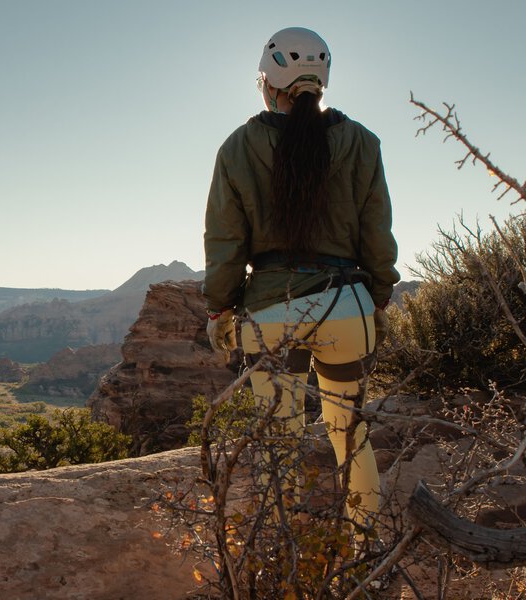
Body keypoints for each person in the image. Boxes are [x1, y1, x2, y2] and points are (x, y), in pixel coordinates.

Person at [203, 27, 399, 533]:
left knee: (278, 444)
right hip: (347, 307)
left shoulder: (239, 146)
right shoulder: (361, 142)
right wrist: (378, 298)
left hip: (270, 313)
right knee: (351, 437)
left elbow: (225, 243)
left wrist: (220, 310)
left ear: (267, 83)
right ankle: (368, 554)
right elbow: (377, 234)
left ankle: (280, 562)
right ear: (321, 80)